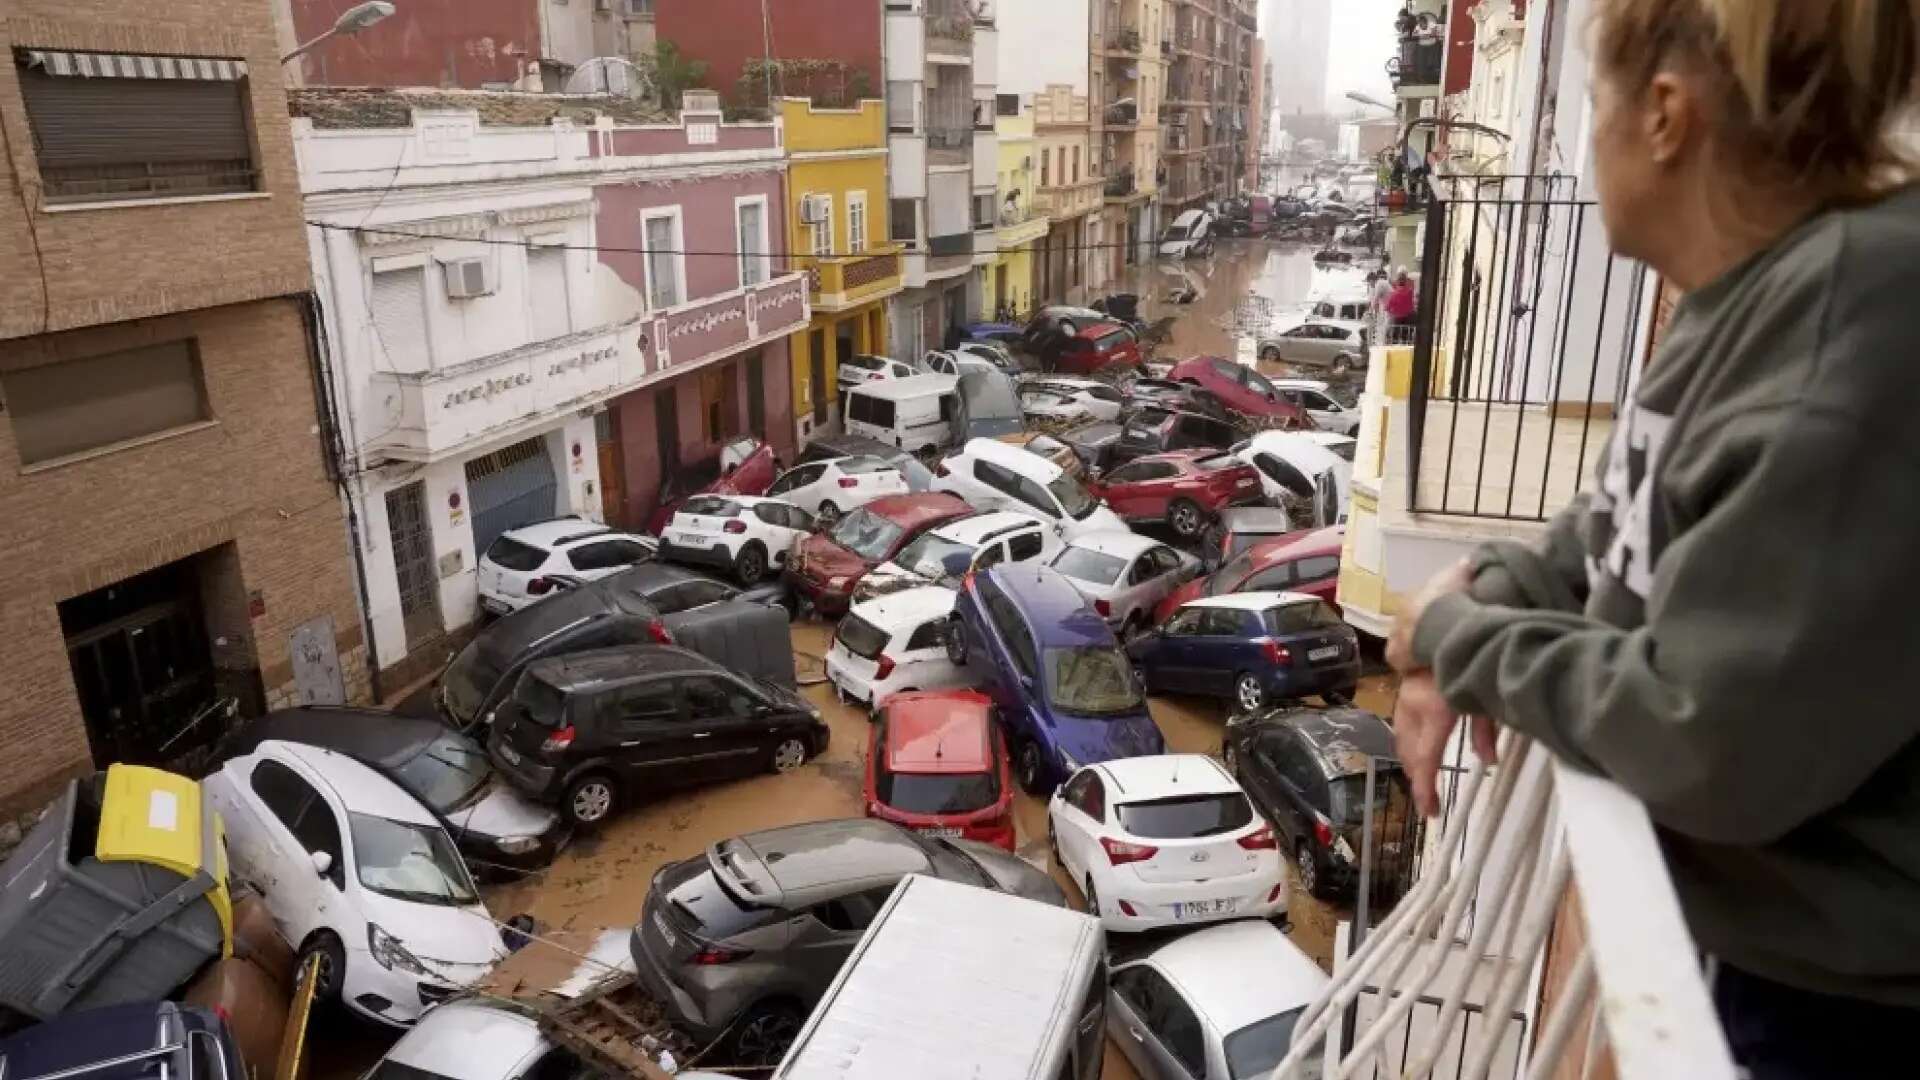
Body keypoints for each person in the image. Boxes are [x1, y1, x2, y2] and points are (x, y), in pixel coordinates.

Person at [1384, 1, 1920, 1076]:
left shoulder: (1847, 329)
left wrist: (1464, 638)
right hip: (1771, 961)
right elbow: (1613, 522)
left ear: (1665, 117)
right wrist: (1494, 582)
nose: (1588, 140)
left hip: (1843, 1016)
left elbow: (1704, 737)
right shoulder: (1756, 297)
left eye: (1593, 104)